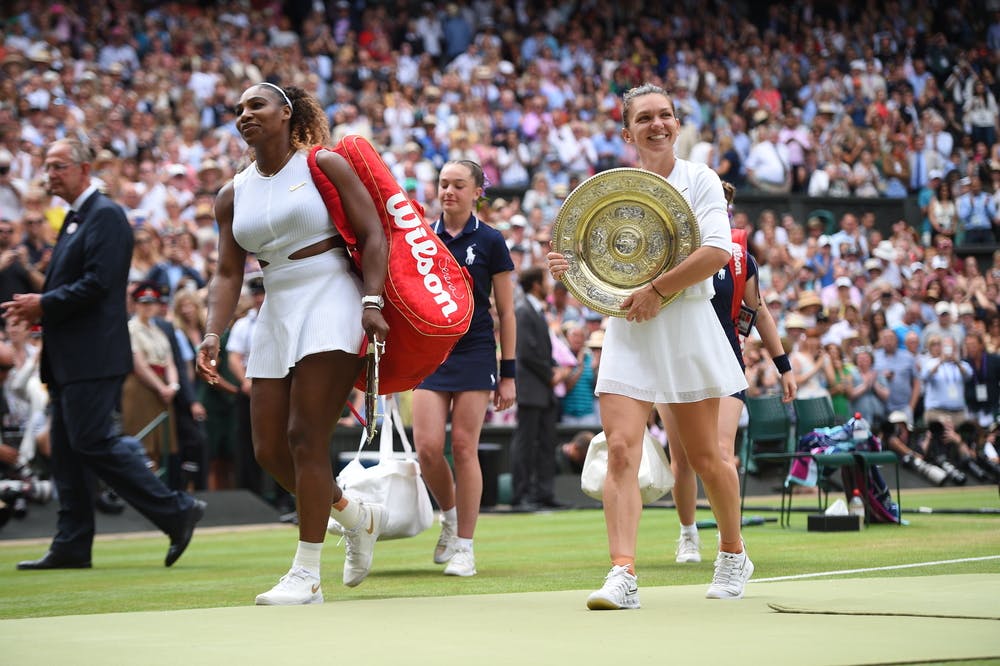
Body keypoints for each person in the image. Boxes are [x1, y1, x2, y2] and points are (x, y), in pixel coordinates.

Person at [548, 84, 752, 609]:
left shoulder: (701, 178)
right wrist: (570, 272)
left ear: (678, 125)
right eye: (644, 118)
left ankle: (732, 552)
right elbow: (598, 269)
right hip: (630, 329)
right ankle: (623, 573)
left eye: (665, 115)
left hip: (685, 323)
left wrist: (657, 289)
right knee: (619, 451)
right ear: (627, 132)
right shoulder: (609, 190)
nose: (657, 124)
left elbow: (716, 251)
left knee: (706, 458)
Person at [195, 83, 388, 605]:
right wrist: (213, 331)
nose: (244, 114)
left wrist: (372, 302)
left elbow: (373, 234)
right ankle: (355, 515)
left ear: (286, 112)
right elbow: (227, 272)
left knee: (305, 435)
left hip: (332, 295)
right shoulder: (232, 193)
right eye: (238, 109)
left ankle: (307, 575)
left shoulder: (324, 163)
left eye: (255, 105)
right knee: (269, 449)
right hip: (275, 306)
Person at [4, 137, 205, 570]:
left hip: (93, 356)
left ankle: (175, 509)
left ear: (84, 169)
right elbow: (75, 290)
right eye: (47, 166)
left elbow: (99, 285)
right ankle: (72, 542)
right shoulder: (79, 219)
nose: (49, 174)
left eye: (58, 166)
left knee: (91, 442)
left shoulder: (107, 215)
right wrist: (38, 313)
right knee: (67, 450)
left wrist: (43, 305)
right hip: (69, 358)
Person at [664, 181, 796, 565]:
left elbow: (761, 313)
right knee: (683, 460)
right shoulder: (670, 252)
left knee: (722, 453)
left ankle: (730, 544)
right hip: (677, 365)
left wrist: (783, 366)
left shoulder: (740, 259)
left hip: (724, 364)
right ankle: (688, 533)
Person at [411, 159, 516, 578]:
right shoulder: (420, 239)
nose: (448, 191)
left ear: (477, 192)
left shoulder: (490, 240)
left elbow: (506, 312)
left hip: (474, 349)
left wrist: (508, 373)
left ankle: (466, 546)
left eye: (458, 185)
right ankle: (450, 518)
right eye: (443, 184)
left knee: (464, 447)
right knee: (427, 448)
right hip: (430, 352)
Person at [510, 266, 560, 510]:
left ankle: (543, 493)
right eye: (545, 281)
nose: (549, 286)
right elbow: (527, 353)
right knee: (526, 444)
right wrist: (551, 374)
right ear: (536, 285)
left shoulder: (536, 311)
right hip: (532, 389)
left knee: (545, 444)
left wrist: (553, 370)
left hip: (543, 390)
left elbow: (540, 351)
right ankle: (521, 495)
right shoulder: (523, 311)